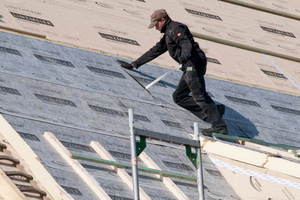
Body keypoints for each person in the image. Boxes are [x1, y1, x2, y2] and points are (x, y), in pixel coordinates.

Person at [120, 9, 227, 136]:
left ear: (163, 20)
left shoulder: (175, 28)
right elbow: (156, 50)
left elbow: (185, 42)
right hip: (188, 64)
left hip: (193, 63)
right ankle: (215, 110)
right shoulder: (167, 34)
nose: (156, 29)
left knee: (199, 94)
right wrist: (134, 64)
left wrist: (185, 55)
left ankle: (219, 125)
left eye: (156, 25)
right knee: (179, 97)